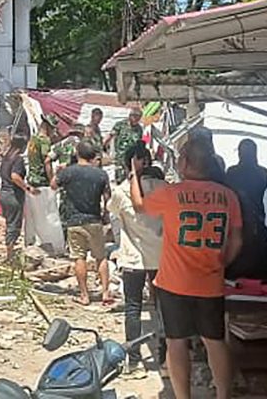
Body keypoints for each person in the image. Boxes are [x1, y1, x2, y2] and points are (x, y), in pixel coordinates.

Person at [131, 135, 243, 399]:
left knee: (176, 343)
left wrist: (133, 175)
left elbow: (139, 205)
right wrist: (222, 262)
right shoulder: (228, 196)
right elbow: (237, 240)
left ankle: (183, 397)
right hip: (211, 283)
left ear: (185, 162)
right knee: (215, 342)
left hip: (174, 283)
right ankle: (223, 395)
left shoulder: (172, 193)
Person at [107, 142, 167, 375]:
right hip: (161, 257)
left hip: (133, 258)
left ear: (127, 165)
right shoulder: (164, 188)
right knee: (163, 308)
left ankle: (134, 361)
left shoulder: (121, 191)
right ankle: (165, 361)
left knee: (133, 309)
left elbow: (112, 211)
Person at [52, 140, 112, 306]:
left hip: (74, 220)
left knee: (79, 257)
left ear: (77, 154)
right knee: (101, 257)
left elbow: (53, 185)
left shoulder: (69, 172)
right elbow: (107, 198)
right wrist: (106, 215)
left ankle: (84, 295)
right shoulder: (101, 174)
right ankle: (105, 292)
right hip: (94, 220)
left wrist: (59, 172)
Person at [0, 135, 37, 259]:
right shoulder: (18, 159)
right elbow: (15, 176)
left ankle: (9, 251)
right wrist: (27, 188)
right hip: (13, 195)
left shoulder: (6, 158)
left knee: (9, 222)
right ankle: (10, 255)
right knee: (14, 225)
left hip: (3, 194)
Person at [226, 138, 267, 221]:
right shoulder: (262, 172)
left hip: (237, 214)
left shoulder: (232, 172)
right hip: (257, 214)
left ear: (239, 153)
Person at [106, 105, 145, 182]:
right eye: (135, 116)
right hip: (120, 157)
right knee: (120, 179)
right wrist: (103, 147)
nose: (137, 119)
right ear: (130, 116)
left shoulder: (139, 129)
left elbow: (139, 143)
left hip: (132, 160)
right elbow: (110, 136)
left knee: (131, 180)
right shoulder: (120, 125)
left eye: (139, 117)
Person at [27, 118, 57, 188]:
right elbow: (47, 161)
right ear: (47, 127)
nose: (54, 131)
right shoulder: (44, 141)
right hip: (41, 179)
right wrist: (51, 181)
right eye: (52, 128)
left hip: (32, 177)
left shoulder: (33, 138)